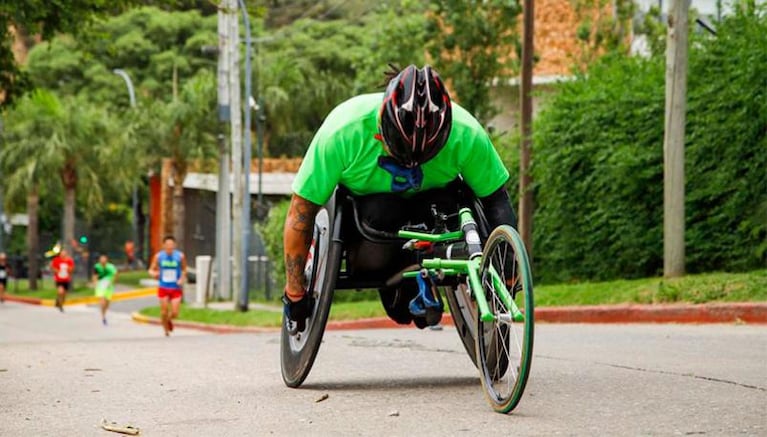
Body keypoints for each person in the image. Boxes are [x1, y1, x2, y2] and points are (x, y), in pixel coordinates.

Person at [282, 65, 517, 331]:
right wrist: (295, 292)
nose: (411, 163)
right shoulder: (343, 131)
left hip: (434, 212)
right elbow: (301, 212)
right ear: (382, 125)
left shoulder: (466, 134)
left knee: (450, 203)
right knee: (403, 312)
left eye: (426, 155)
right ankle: (406, 285)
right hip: (372, 225)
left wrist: (507, 270)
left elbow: (496, 203)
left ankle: (422, 278)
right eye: (400, 153)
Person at [147, 236, 187, 336]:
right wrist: (154, 274)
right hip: (163, 286)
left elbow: (184, 269)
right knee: (164, 311)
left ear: (175, 245)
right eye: (167, 244)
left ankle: (168, 320)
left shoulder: (180, 256)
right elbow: (151, 269)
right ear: (164, 245)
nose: (170, 246)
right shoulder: (159, 256)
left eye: (171, 244)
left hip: (175, 287)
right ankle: (165, 330)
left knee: (175, 312)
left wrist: (181, 279)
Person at [92, 254, 118, 325]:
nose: (103, 260)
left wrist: (113, 282)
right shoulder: (97, 267)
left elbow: (115, 275)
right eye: (101, 259)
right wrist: (95, 283)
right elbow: (95, 276)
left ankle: (104, 313)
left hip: (109, 286)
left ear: (107, 260)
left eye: (104, 259)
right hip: (100, 285)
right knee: (102, 300)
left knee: (107, 302)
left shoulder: (111, 267)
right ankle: (103, 316)